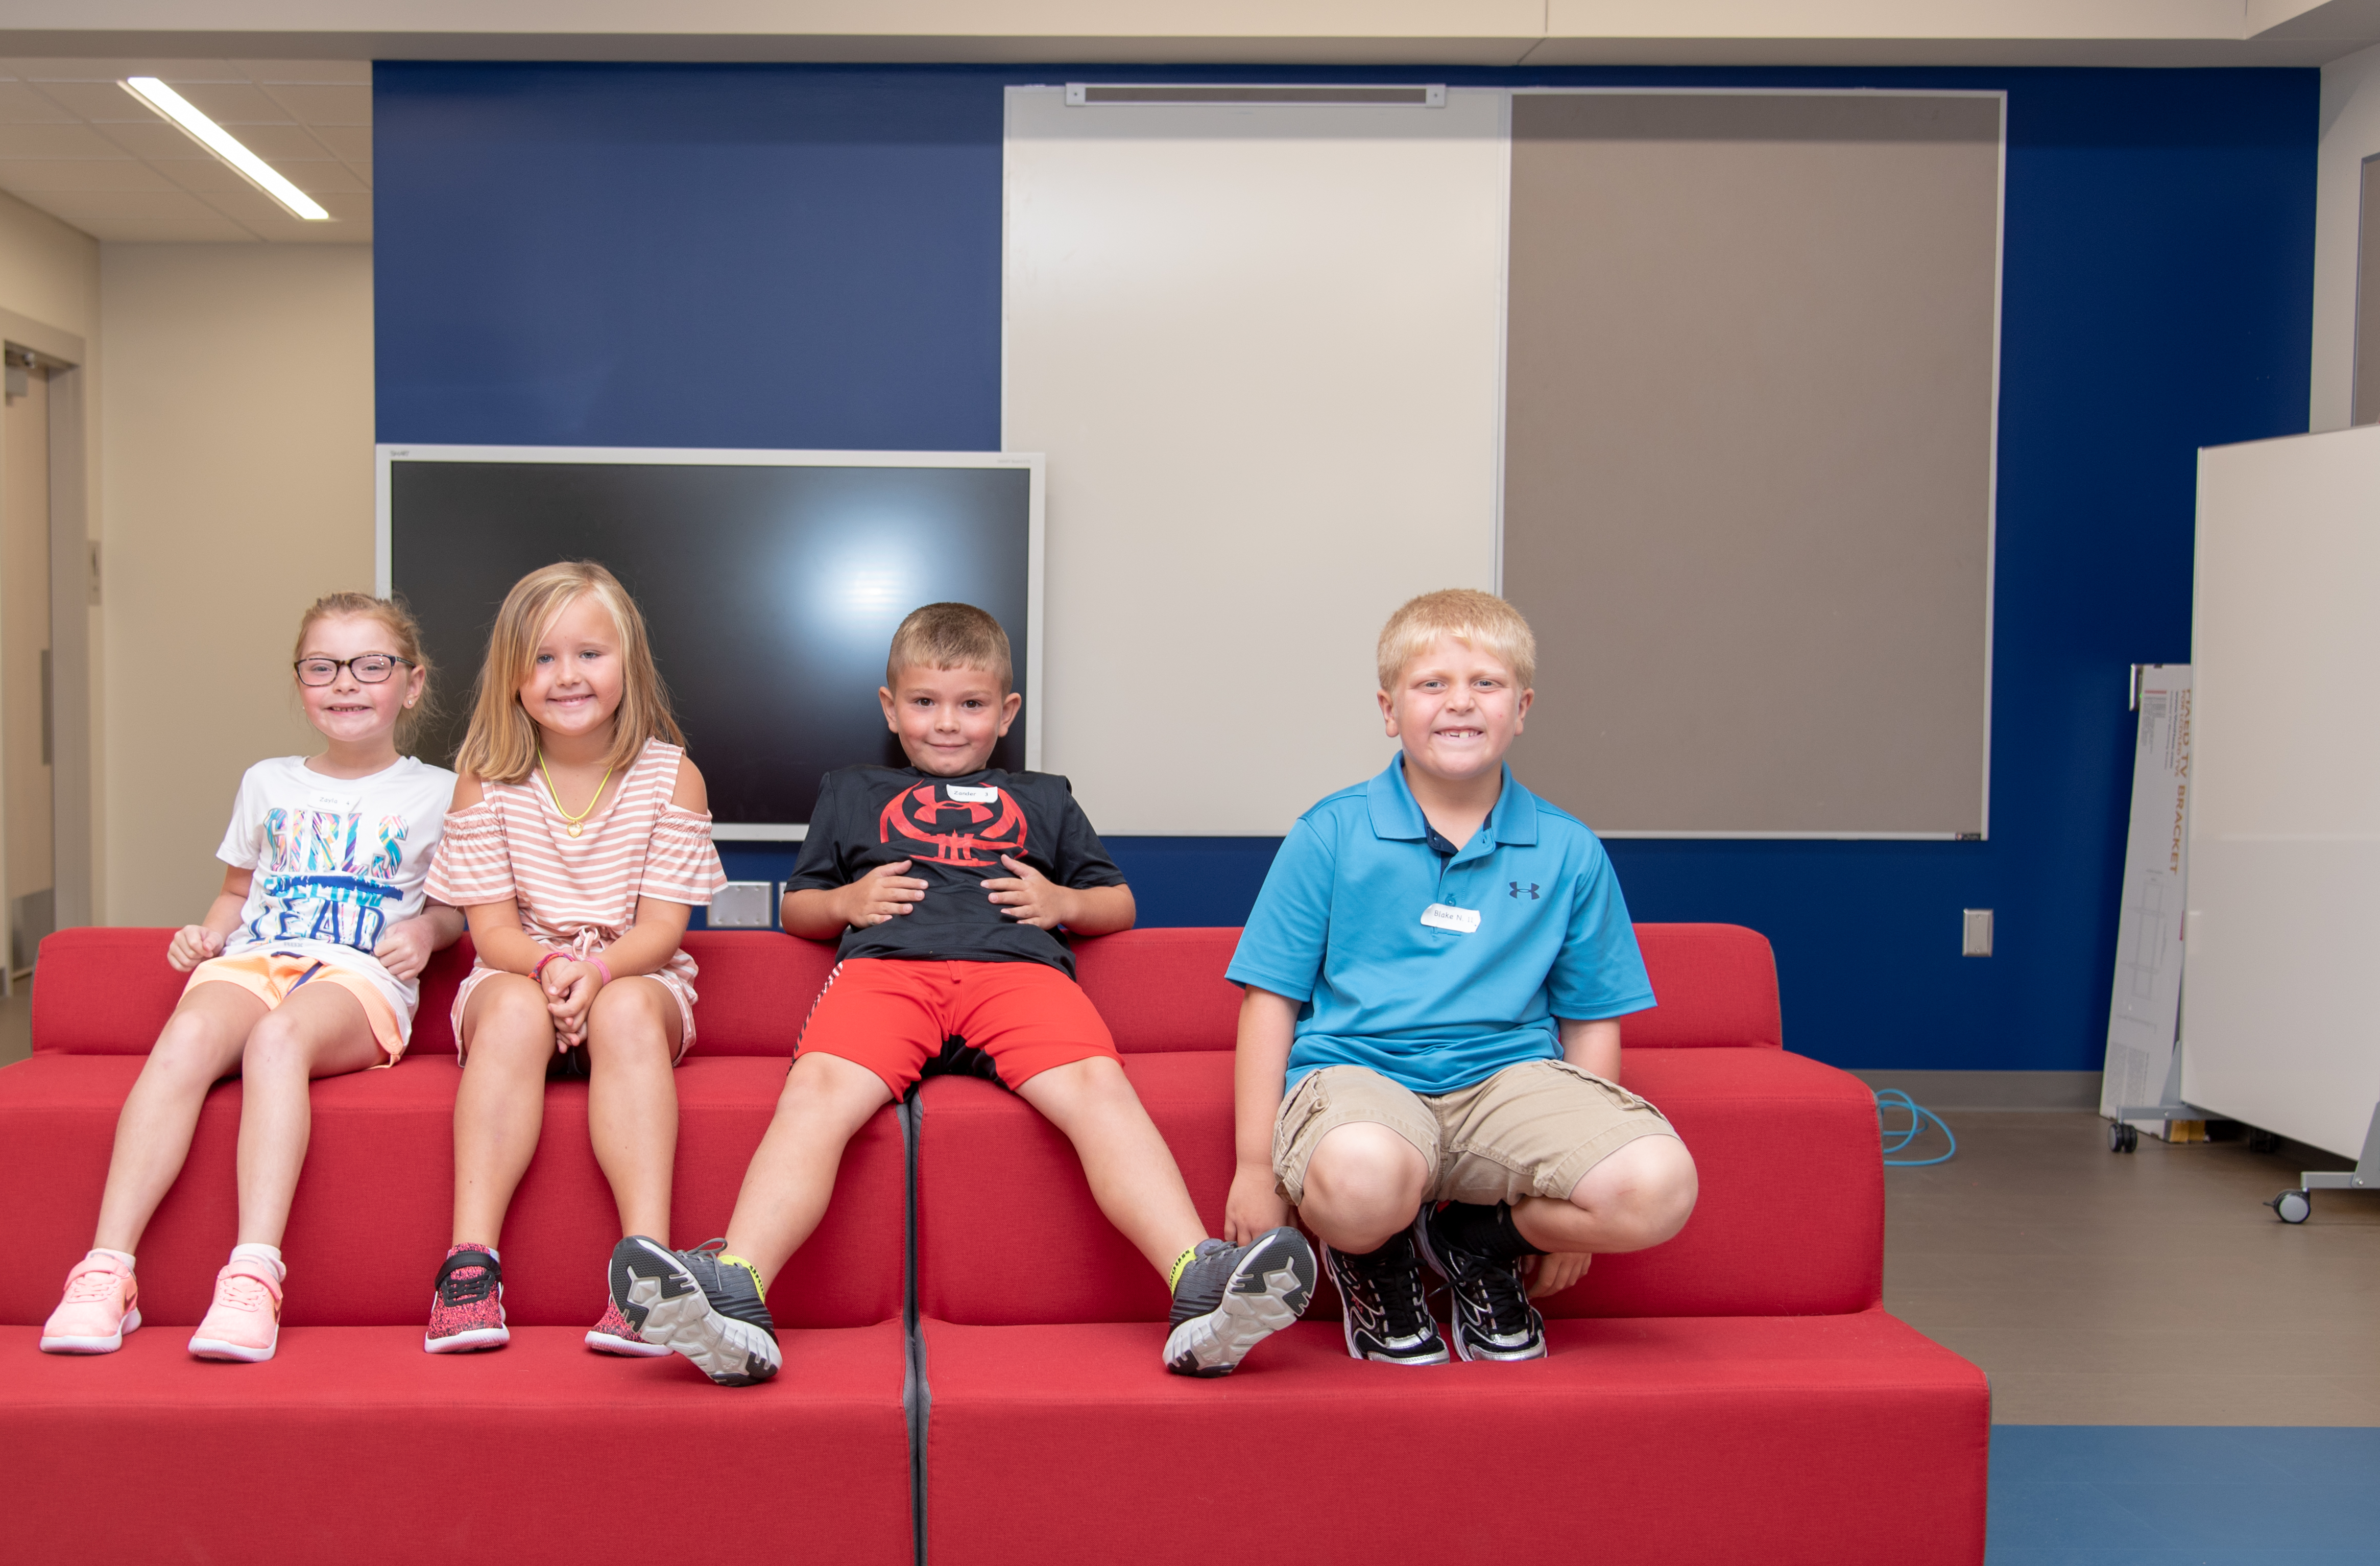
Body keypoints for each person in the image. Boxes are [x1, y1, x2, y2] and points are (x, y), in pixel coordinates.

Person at [608, 601, 1318, 1387]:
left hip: (1018, 973)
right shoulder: (851, 791)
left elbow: (1119, 903)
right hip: (887, 973)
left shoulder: (1045, 798)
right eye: (925, 703)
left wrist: (1064, 903)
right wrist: (847, 902)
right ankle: (738, 1292)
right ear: (890, 707)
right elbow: (798, 907)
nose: (948, 724)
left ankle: (1201, 1281)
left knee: (1098, 1087)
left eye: (972, 705)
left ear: (1006, 712)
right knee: (814, 1092)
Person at [1224, 588, 1698, 1368]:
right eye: (1432, 683)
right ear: (1388, 710)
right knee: (1363, 1182)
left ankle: (1478, 1238)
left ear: (1522, 707)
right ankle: (1375, 1253)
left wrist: (1563, 1197)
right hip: (1360, 1078)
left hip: (1508, 1084)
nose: (1460, 703)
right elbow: (1269, 998)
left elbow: (1590, 1016)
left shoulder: (1569, 849)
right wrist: (1254, 1165)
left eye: (1486, 683)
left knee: (1661, 1185)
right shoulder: (1331, 832)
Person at [39, 591, 462, 1364]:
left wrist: (425, 933)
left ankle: (254, 1274)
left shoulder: (440, 791)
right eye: (322, 666)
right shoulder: (266, 782)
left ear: (413, 683)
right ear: (300, 683)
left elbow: (456, 912)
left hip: (357, 979)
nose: (346, 683)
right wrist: (208, 933)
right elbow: (239, 891)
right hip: (256, 959)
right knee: (189, 1033)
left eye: (371, 665)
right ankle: (107, 1269)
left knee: (277, 1041)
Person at [418, 560, 726, 1357]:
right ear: (514, 676)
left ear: (628, 664)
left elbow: (663, 929)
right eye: (544, 658)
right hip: (520, 973)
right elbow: (491, 934)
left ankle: (649, 1275)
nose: (567, 676)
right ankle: (469, 1265)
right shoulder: (484, 780)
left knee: (625, 1006)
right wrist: (552, 968)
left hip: (634, 975)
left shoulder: (672, 776)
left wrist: (595, 973)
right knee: (516, 1006)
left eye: (590, 654)